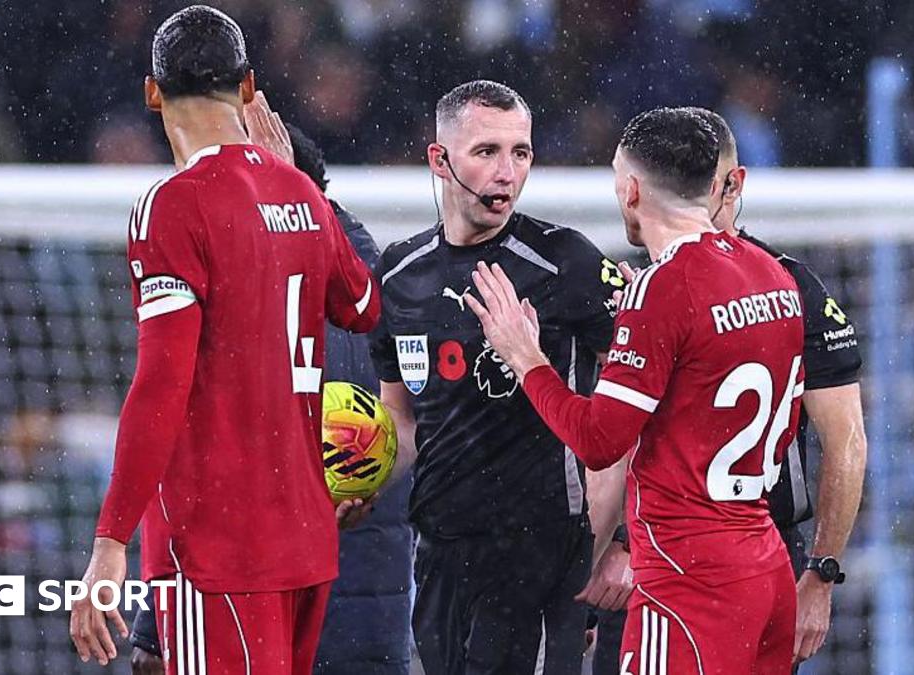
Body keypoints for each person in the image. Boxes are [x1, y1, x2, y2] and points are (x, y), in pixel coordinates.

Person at [68, 6, 380, 675]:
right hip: (304, 539)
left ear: (152, 92)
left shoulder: (173, 204)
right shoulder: (300, 190)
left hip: (222, 546)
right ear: (248, 87)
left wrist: (110, 540)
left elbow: (162, 384)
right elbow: (361, 304)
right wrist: (297, 195)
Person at [463, 107, 804, 674]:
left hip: (688, 580)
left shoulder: (663, 287)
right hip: (765, 564)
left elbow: (599, 441)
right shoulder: (772, 273)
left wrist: (526, 358)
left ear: (632, 189)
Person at [127, 120, 415, 675]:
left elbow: (186, 459)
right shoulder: (391, 286)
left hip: (248, 607)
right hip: (370, 623)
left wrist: (152, 623)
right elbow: (418, 434)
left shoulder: (238, 300)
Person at [368, 79, 625, 674]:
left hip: (540, 553)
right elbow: (402, 420)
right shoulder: (400, 274)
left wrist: (620, 540)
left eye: (521, 153)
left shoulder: (568, 263)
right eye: (487, 152)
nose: (506, 172)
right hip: (438, 552)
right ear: (440, 160)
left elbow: (646, 397)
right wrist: (362, 478)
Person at [697, 107, 867, 665]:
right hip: (660, 556)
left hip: (767, 549)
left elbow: (846, 440)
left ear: (734, 184)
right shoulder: (637, 282)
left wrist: (820, 573)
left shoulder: (794, 285)